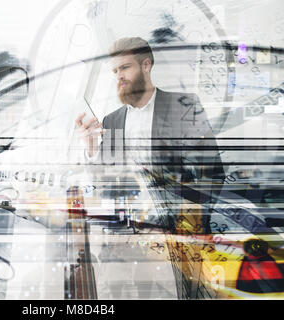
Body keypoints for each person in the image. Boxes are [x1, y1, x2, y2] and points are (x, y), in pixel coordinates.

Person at [75, 37, 225, 233]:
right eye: (115, 70)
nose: (119, 76)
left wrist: (190, 223)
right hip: (129, 237)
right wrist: (91, 147)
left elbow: (213, 173)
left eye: (125, 67)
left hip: (182, 235)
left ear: (146, 65)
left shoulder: (183, 107)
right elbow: (104, 185)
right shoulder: (112, 121)